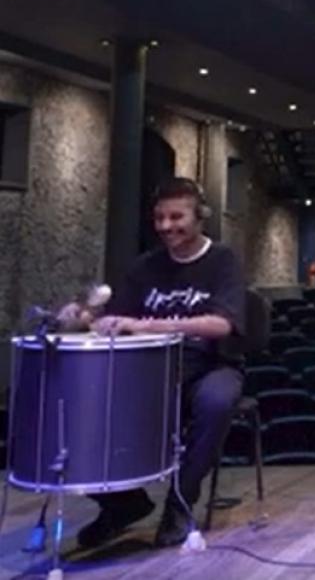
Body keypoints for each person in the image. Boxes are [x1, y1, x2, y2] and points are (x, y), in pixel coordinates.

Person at [59, 177, 246, 549]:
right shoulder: (145, 267)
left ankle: (181, 501)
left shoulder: (223, 260)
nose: (165, 226)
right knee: (80, 406)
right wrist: (81, 317)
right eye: (159, 218)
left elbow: (221, 324)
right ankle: (123, 505)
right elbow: (113, 317)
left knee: (217, 402)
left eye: (176, 217)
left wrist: (146, 324)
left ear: (200, 217)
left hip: (210, 366)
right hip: (148, 369)